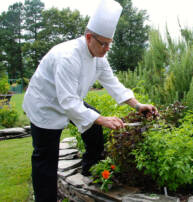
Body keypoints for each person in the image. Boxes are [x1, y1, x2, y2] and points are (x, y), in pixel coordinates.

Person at [22, 0, 157, 201]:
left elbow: (113, 84)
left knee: (93, 131)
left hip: (69, 99)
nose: (107, 48)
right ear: (88, 37)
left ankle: (90, 169)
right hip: (45, 105)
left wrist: (137, 105)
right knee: (46, 159)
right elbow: (67, 102)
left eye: (110, 44)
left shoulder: (99, 57)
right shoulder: (67, 56)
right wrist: (102, 119)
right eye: (103, 43)